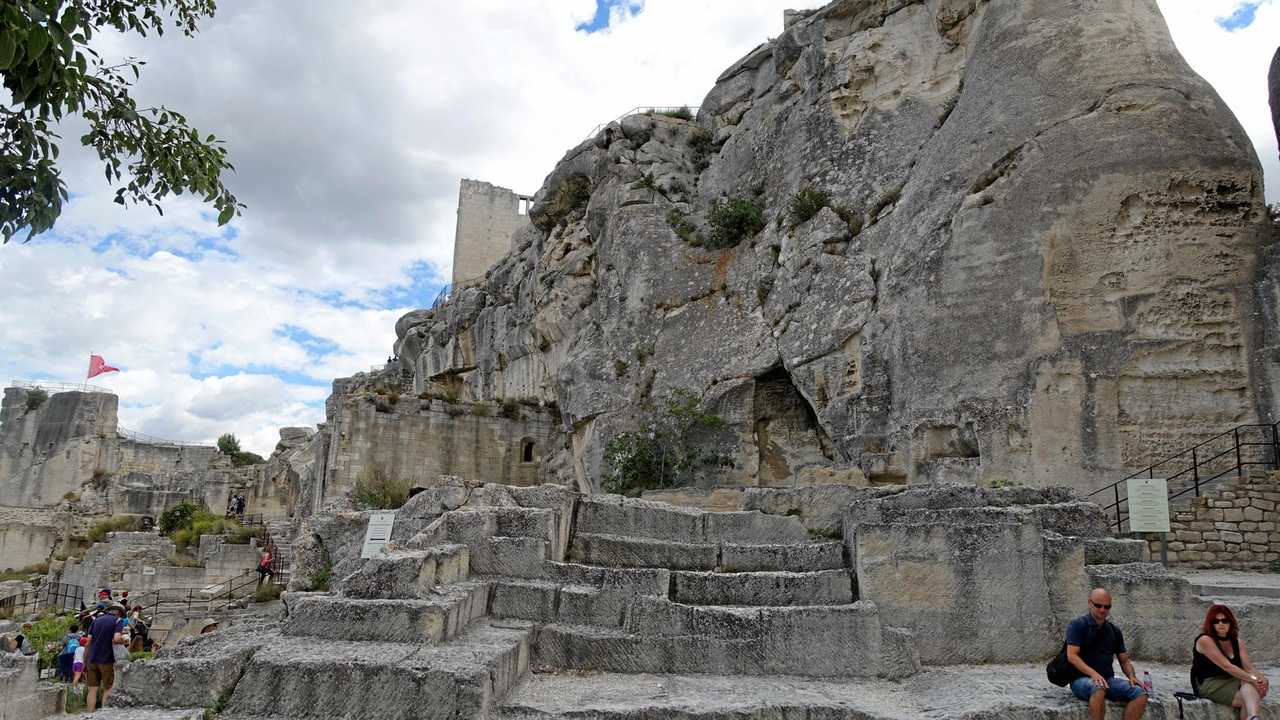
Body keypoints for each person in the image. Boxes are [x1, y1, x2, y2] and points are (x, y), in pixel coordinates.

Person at [1063, 588, 1148, 720]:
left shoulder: (1114, 631)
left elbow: (1124, 660)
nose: (1102, 610)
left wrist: (1132, 676)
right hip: (1080, 679)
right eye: (1098, 605)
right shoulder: (1078, 625)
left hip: (1107, 679)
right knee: (1099, 687)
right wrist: (1093, 674)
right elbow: (1072, 656)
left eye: (1107, 607)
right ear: (1089, 603)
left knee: (1140, 693)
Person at [1191, 603, 1269, 720]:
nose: (1221, 624)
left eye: (1224, 620)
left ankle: (1253, 717)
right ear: (1210, 624)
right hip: (1210, 683)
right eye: (1216, 621)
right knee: (1250, 695)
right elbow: (1227, 666)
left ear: (1231, 622)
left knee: (1249, 690)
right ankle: (1253, 717)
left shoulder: (1237, 642)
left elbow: (1248, 668)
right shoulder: (1205, 640)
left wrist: (1261, 679)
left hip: (1233, 680)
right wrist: (1253, 680)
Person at [84, 601, 126, 713]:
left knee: (92, 689)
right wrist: (123, 641)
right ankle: (103, 714)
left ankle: (89, 714)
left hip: (92, 659)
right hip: (106, 659)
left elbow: (88, 642)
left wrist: (85, 661)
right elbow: (117, 638)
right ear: (119, 613)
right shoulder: (118, 621)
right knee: (108, 687)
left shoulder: (96, 621)